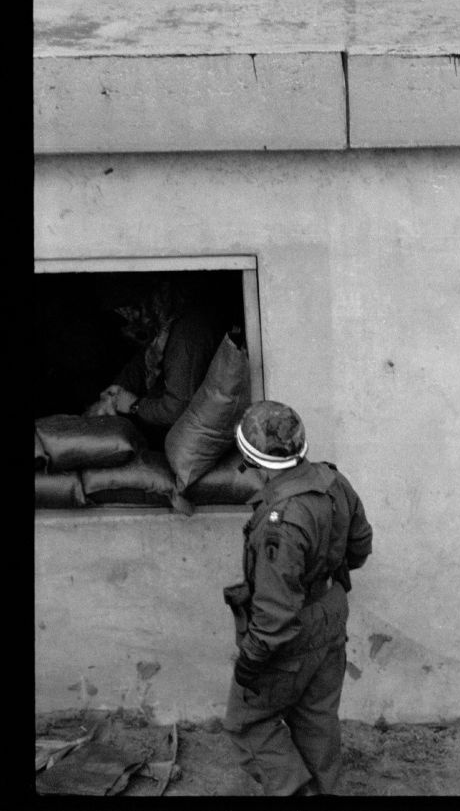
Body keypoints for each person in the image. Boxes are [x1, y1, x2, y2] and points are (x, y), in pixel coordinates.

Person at [222, 400, 373, 796]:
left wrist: (250, 662)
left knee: (247, 722)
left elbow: (275, 614)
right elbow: (360, 545)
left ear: (247, 457)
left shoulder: (281, 521)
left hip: (294, 633)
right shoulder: (333, 482)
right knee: (317, 721)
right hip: (330, 612)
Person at [84, 278, 220, 448]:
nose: (129, 315)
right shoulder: (164, 325)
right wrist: (114, 394)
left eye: (133, 306)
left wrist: (135, 406)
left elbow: (176, 409)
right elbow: (141, 364)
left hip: (189, 440)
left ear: (155, 296)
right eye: (121, 310)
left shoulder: (187, 335)